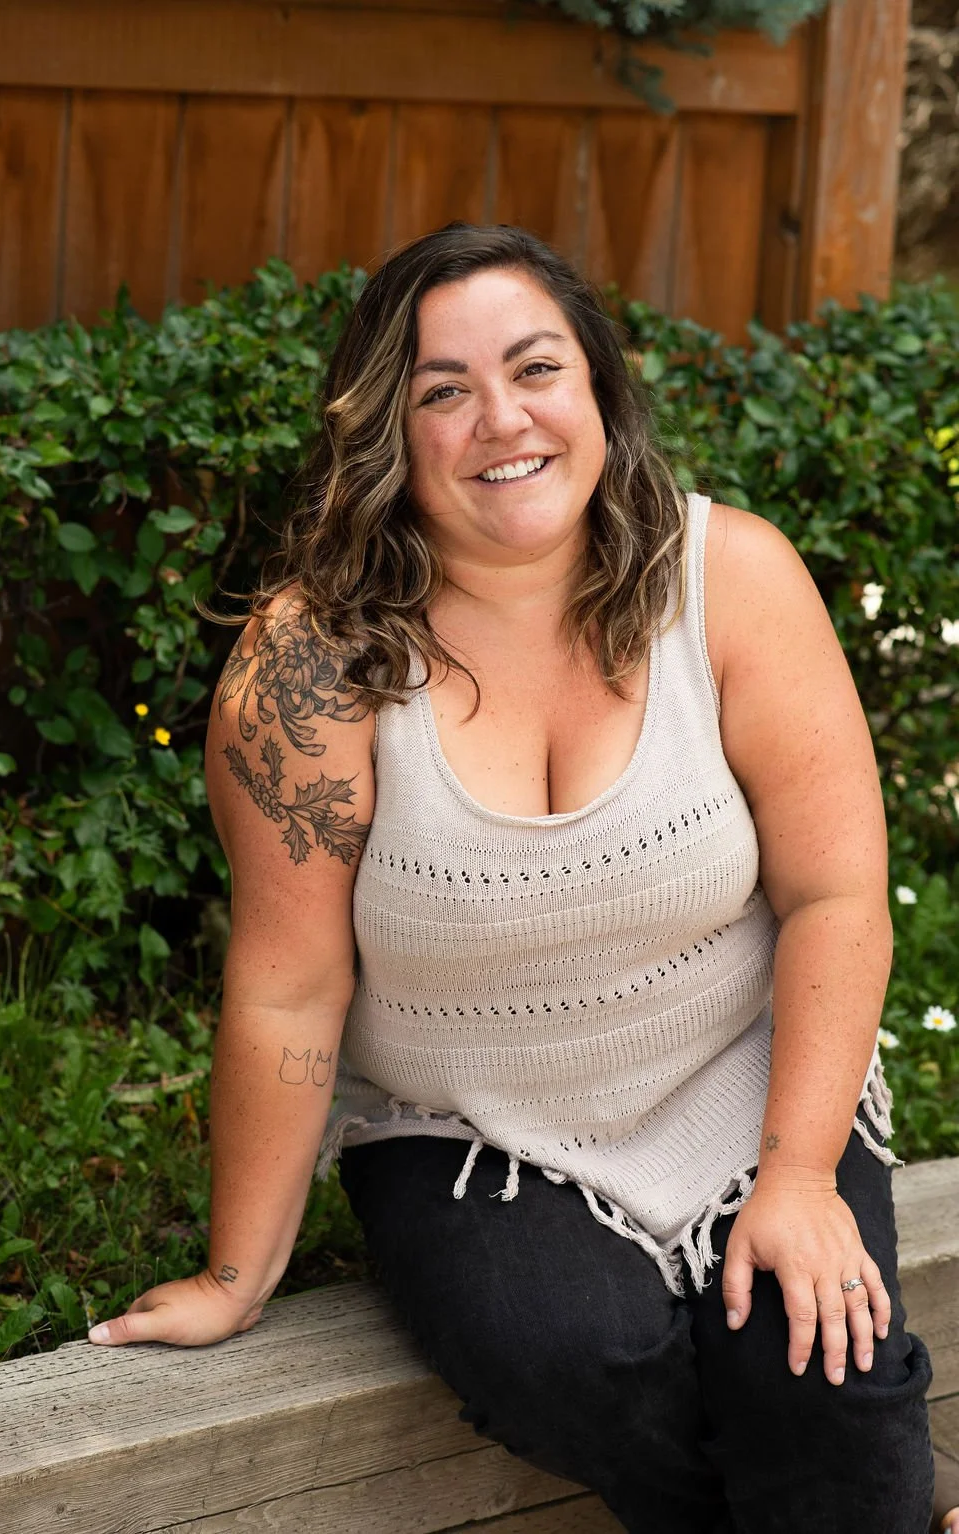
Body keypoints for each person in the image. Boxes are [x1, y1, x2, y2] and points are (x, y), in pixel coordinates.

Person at [86, 224, 957, 1534]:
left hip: (744, 1088)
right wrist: (235, 1272)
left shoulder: (732, 580)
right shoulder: (311, 665)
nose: (503, 419)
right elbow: (289, 981)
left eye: (536, 368)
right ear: (389, 432)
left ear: (597, 383)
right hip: (470, 1131)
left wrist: (797, 1178)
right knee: (575, 1354)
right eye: (444, 390)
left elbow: (834, 897)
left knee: (818, 1372)